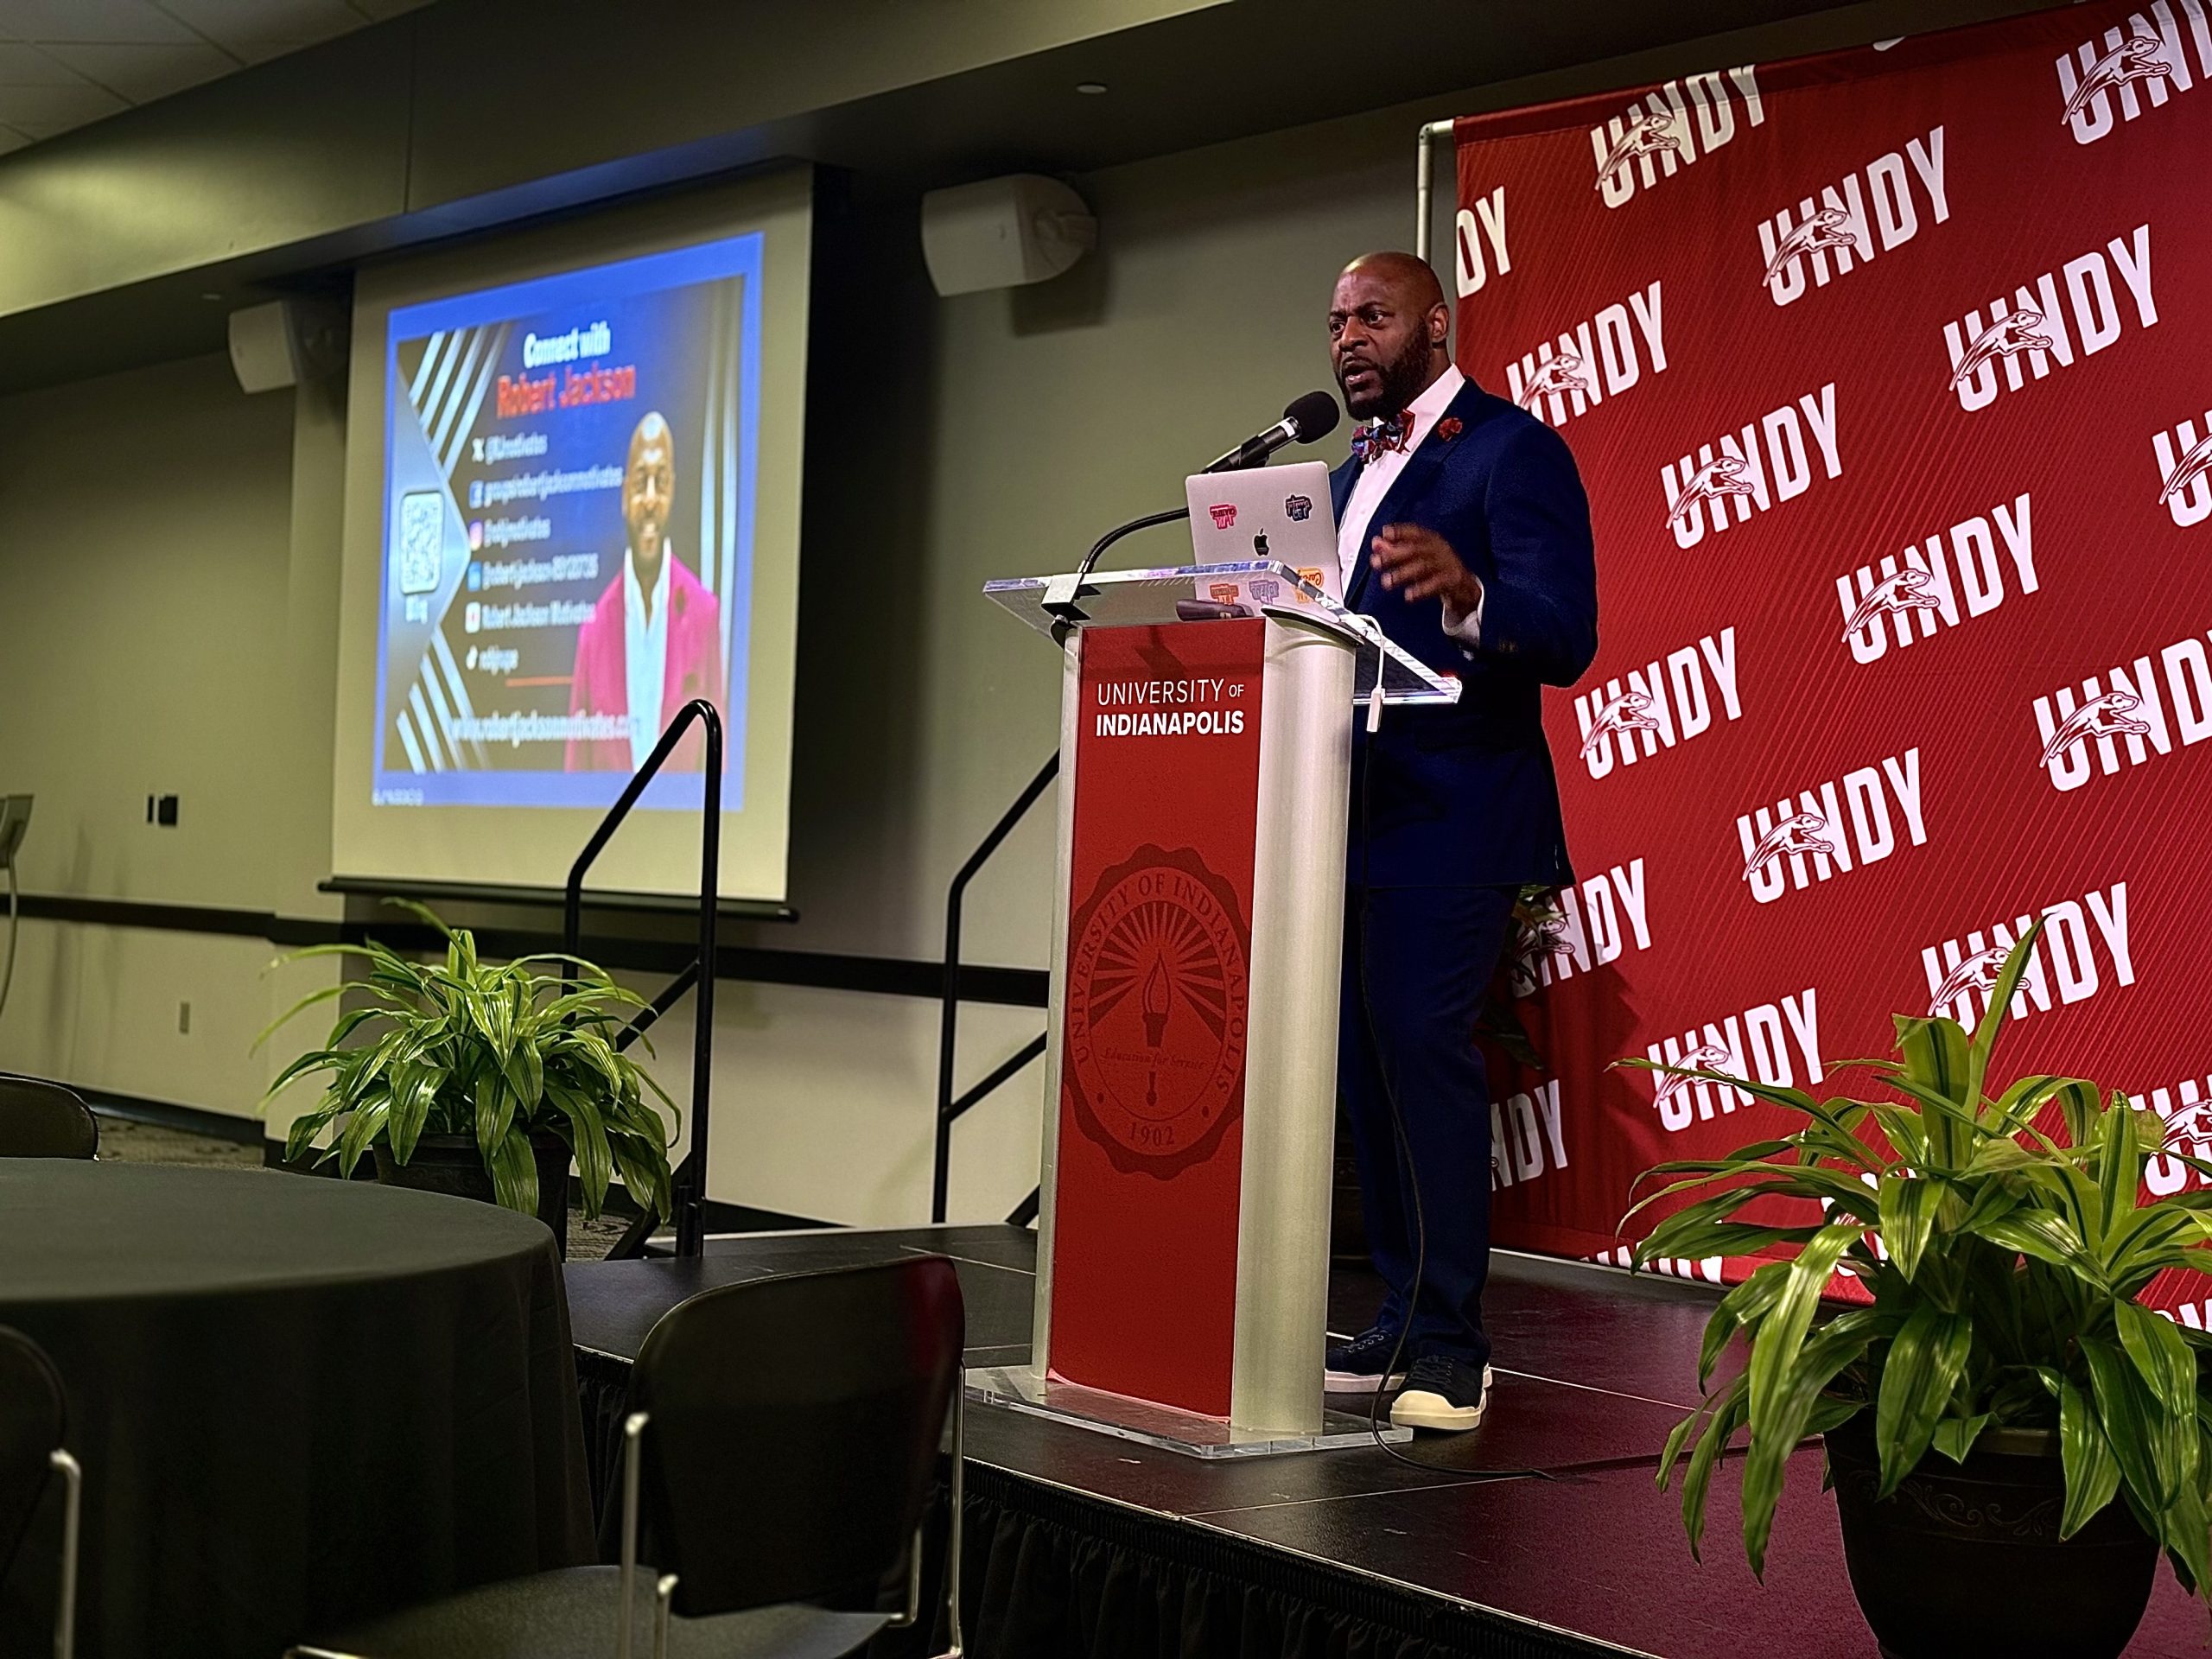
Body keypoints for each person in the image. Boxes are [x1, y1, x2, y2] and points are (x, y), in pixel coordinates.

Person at [1321, 251, 1597, 1432]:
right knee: (1366, 1070)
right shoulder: (1341, 479)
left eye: (1372, 318)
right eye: (1336, 324)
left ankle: (1451, 1346)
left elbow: (1567, 630)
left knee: (1423, 1050)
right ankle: (1397, 1310)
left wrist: (1468, 594)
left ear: (1434, 323)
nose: (1347, 341)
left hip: (1458, 810)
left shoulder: (1509, 450)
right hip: (1345, 811)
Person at [565, 410, 726, 772]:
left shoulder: (703, 613)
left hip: (682, 829)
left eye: (661, 482)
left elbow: (719, 760)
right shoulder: (593, 629)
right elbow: (576, 770)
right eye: (641, 483)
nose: (650, 499)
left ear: (673, 491)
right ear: (625, 497)